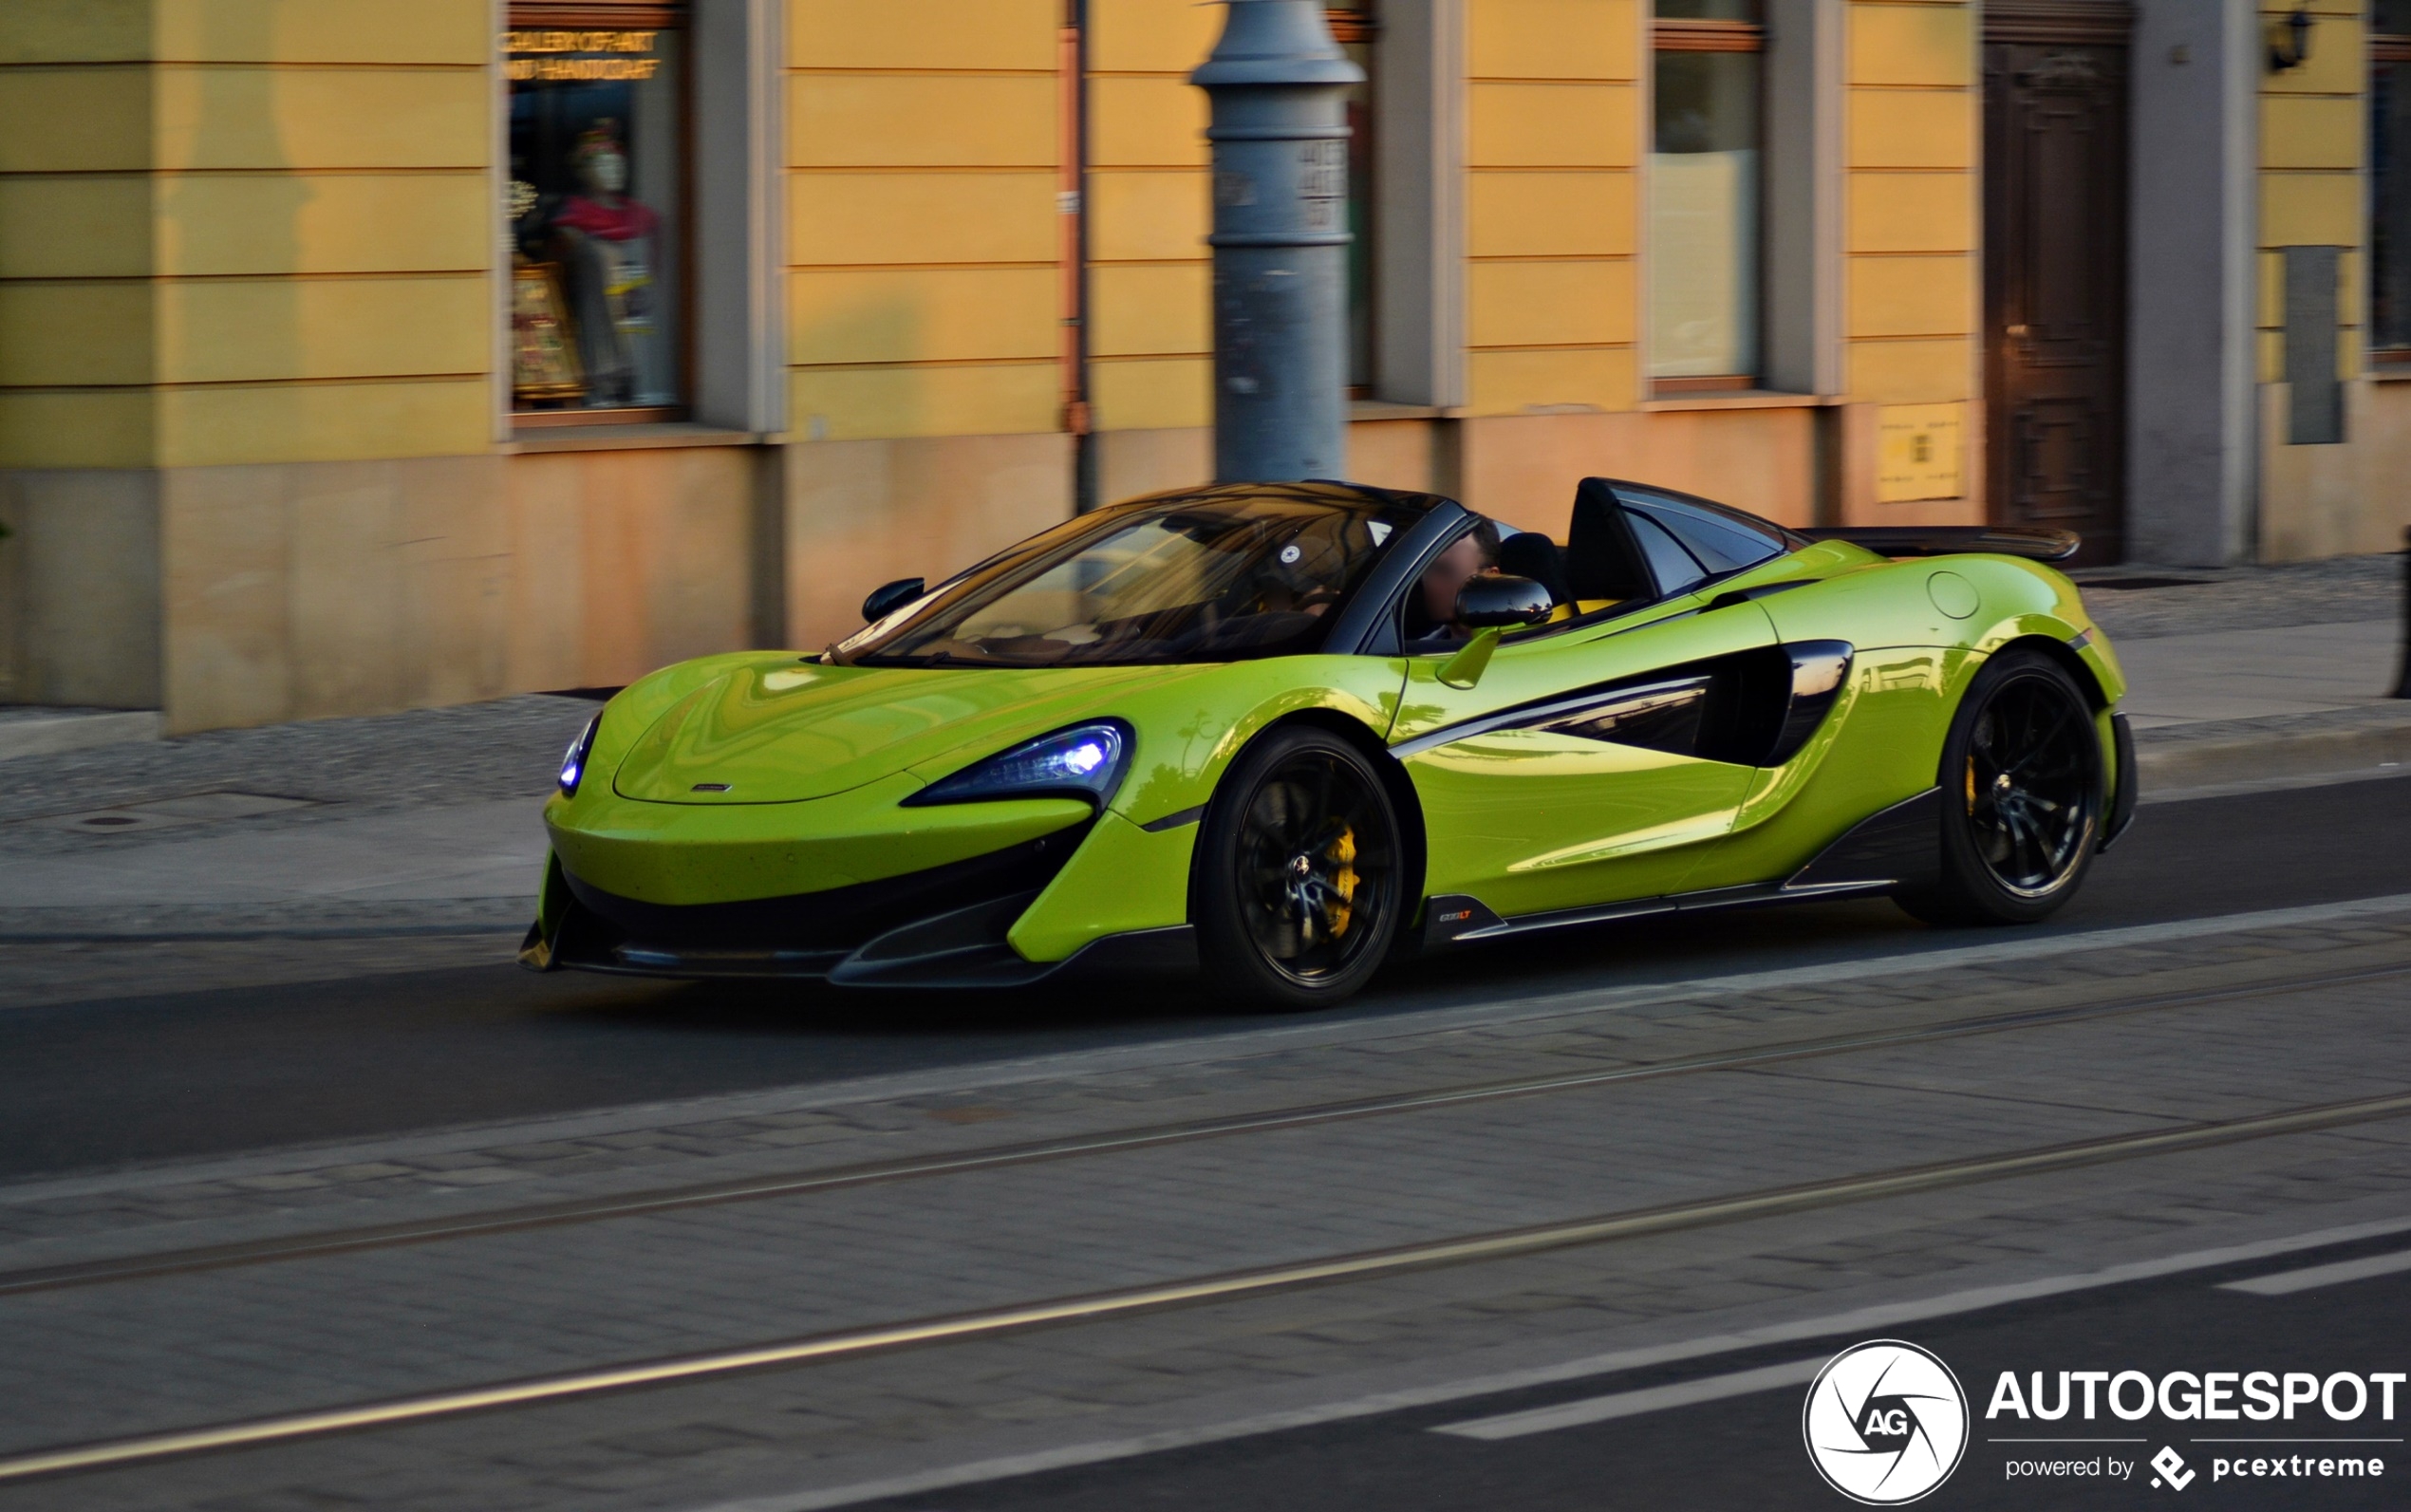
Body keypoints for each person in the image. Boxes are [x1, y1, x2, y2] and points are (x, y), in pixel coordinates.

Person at [1404, 517, 1502, 652]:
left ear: (1490, 577)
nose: (1432, 583)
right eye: (1428, 569)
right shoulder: (1419, 649)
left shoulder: (1517, 649)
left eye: (1447, 572)